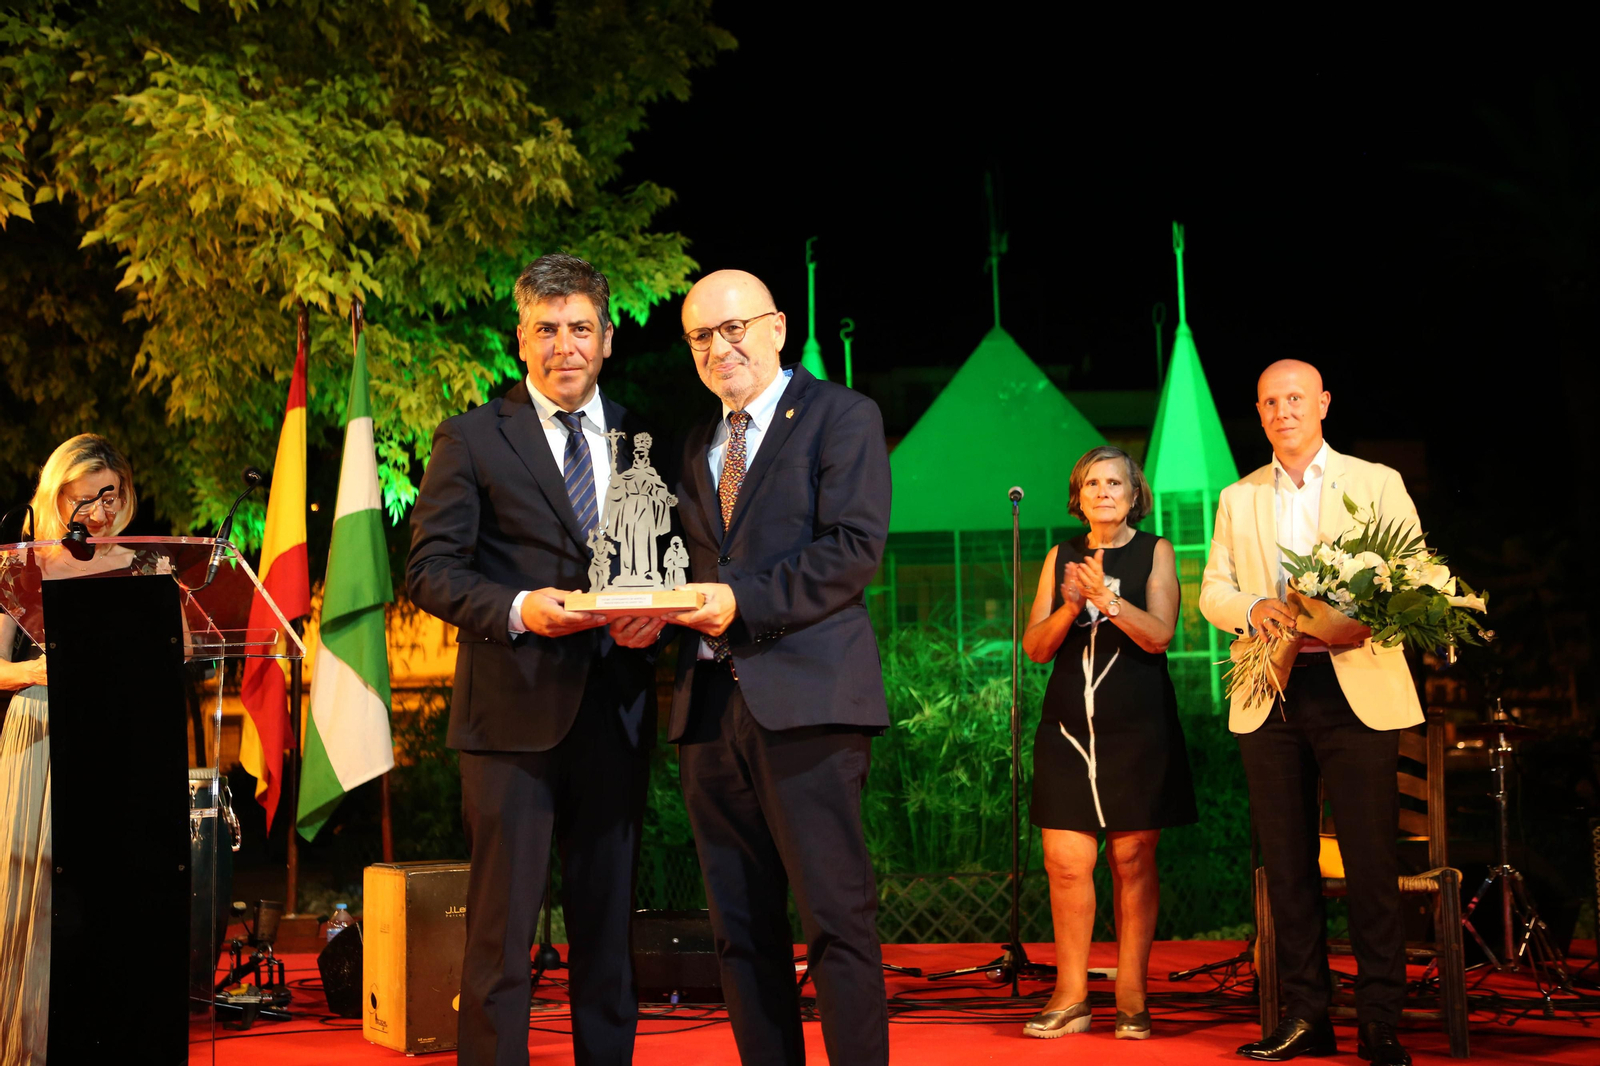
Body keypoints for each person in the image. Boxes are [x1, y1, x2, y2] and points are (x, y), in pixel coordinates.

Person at [407, 253, 667, 1066]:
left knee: (607, 934)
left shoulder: (642, 437)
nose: (565, 346)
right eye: (546, 329)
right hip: (509, 721)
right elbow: (430, 570)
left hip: (617, 714)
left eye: (580, 328)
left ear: (607, 337)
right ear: (521, 338)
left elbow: (669, 561)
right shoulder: (471, 438)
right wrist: (521, 610)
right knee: (500, 937)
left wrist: (655, 621)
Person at [665, 269, 892, 1066]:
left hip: (811, 703)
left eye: (734, 329)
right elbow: (682, 565)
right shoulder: (695, 442)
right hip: (707, 710)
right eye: (701, 336)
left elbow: (853, 550)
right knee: (739, 929)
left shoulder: (842, 416)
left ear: (777, 327)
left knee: (836, 917)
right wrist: (638, 609)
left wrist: (739, 602)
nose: (719, 348)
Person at [1200, 359, 1421, 1066]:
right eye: (1270, 402)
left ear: (1323, 403)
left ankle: (1380, 1021)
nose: (1283, 411)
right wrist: (1252, 606)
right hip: (1271, 690)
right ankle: (1305, 1015)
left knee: (1370, 864)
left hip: (1357, 686)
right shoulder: (1239, 496)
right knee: (1288, 866)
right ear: (1259, 413)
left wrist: (1355, 612)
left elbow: (1413, 574)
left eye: (1295, 398)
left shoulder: (1377, 481)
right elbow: (1212, 590)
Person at [1020, 445, 1196, 1041]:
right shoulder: (1061, 556)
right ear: (1079, 496)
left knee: (1131, 858)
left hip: (1136, 728)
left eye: (1114, 482)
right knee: (1066, 863)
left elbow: (1160, 635)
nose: (1103, 492)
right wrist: (1071, 606)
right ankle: (1070, 995)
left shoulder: (1156, 551)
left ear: (1133, 493)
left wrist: (1108, 599)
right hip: (1068, 729)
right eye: (1092, 483)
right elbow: (1036, 648)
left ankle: (1131, 994)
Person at [0, 433, 157, 1064]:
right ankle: (32, 1047)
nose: (96, 511)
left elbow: (177, 649)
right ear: (56, 498)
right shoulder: (21, 565)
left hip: (118, 739)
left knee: (109, 903)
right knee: (38, 900)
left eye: (108, 495)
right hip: (41, 730)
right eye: (82, 498)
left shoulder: (147, 567)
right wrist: (38, 670)